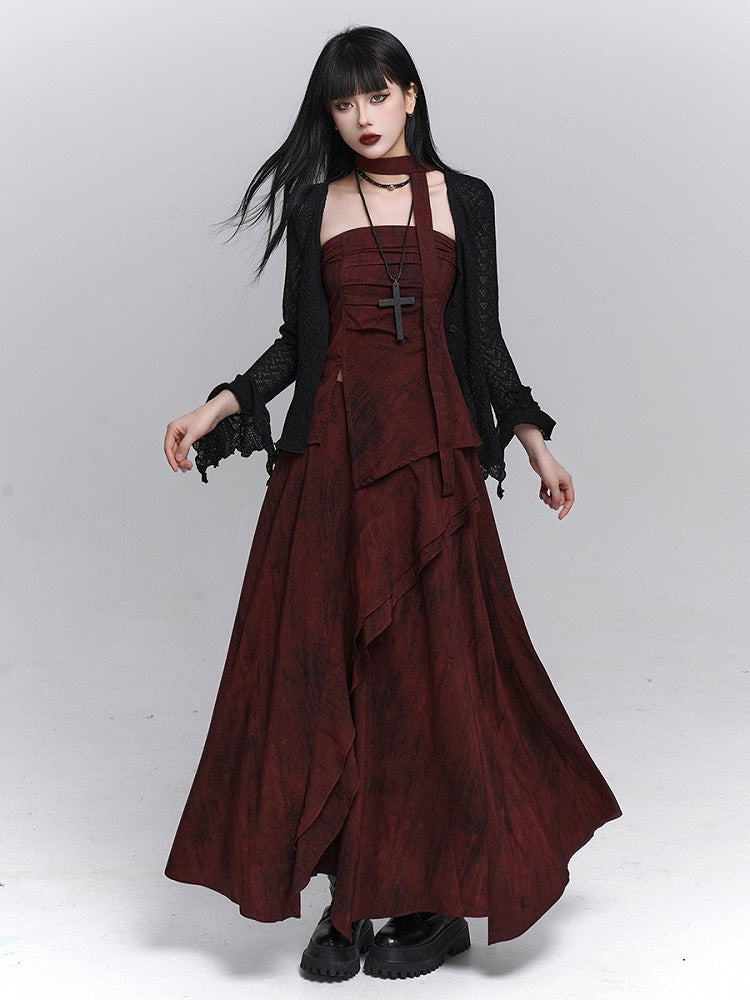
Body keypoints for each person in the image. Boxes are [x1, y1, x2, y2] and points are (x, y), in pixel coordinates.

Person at [162, 25, 621, 982]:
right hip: (330, 467)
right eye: (343, 102)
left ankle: (431, 899)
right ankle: (345, 900)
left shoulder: (466, 199)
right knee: (324, 675)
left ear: (411, 96)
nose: (362, 117)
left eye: (377, 95)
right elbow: (299, 344)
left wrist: (535, 445)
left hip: (432, 474)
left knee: (430, 681)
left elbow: (484, 344)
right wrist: (220, 405)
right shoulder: (313, 204)